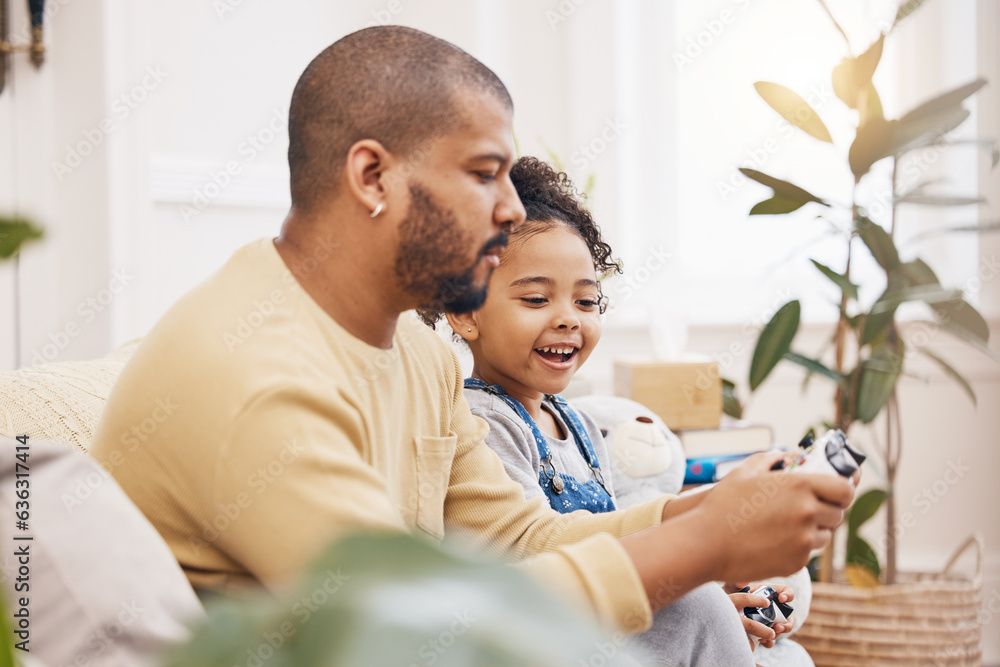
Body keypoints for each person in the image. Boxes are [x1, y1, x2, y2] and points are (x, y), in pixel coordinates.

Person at [90, 25, 854, 638]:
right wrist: (706, 545)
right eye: (484, 172)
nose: (515, 208)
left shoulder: (417, 349)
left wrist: (695, 514)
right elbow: (409, 631)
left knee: (692, 607)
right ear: (372, 178)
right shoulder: (250, 370)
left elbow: (513, 537)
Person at [440, 156, 793, 664]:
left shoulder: (579, 423)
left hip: (604, 618)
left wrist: (704, 574)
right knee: (700, 610)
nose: (568, 319)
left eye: (586, 302)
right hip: (541, 635)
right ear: (466, 312)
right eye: (537, 299)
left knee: (736, 608)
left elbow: (625, 548)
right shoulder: (482, 420)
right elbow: (531, 564)